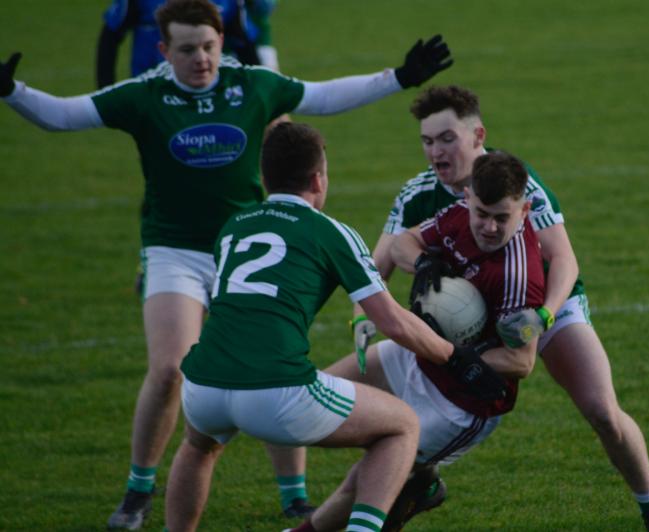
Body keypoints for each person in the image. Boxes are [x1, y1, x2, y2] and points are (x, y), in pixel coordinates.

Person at [0, 0, 453, 528]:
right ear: (163, 50)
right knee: (173, 368)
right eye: (187, 49)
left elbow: (324, 95)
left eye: (210, 46)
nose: (201, 59)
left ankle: (295, 496)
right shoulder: (146, 93)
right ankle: (137, 490)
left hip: (247, 238)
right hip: (177, 250)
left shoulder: (250, 84)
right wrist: (14, 91)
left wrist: (398, 77)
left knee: (260, 352)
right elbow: (64, 115)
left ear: (223, 43)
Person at [352, 85, 649, 531]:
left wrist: (544, 316)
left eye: (446, 138)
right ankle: (418, 478)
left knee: (602, 410)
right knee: (383, 419)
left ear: (476, 135)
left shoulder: (516, 182)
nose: (436, 151)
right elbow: (382, 263)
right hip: (474, 320)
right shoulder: (417, 191)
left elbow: (563, 259)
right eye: (427, 141)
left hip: (544, 304)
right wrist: (416, 271)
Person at [166, 121, 474, 532]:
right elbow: (391, 321)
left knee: (197, 447)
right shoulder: (330, 230)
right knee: (403, 426)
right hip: (274, 391)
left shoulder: (234, 227)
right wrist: (454, 357)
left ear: (264, 179)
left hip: (203, 385)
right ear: (317, 179)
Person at [286, 151, 547, 532]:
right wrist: (423, 262)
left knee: (372, 472)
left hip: (460, 402)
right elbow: (403, 243)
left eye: (501, 218)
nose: (489, 227)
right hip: (413, 354)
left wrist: (456, 354)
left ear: (524, 211)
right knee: (307, 404)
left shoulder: (519, 274)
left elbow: (521, 362)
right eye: (482, 213)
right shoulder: (459, 215)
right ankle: (420, 483)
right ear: (467, 198)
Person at [96, 0, 281, 89]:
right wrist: (106, 87)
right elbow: (110, 36)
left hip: (209, 88)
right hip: (153, 90)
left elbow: (244, 43)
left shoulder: (228, 2)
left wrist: (258, 88)